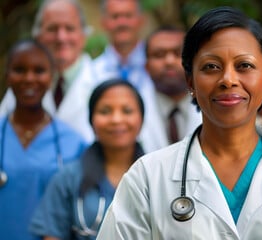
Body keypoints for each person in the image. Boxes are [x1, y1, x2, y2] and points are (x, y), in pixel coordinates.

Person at [96, 6, 262, 239]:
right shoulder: (147, 179)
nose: (228, 79)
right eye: (211, 67)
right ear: (190, 82)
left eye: (244, 65)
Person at [29, 79, 145, 239]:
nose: (116, 119)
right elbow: (52, 234)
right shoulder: (68, 178)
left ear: (141, 118)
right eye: (105, 111)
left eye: (127, 111)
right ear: (92, 120)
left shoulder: (158, 174)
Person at [0, 39, 87, 240]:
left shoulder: (73, 143)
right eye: (19, 70)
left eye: (39, 71)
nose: (29, 78)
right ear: (7, 77)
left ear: (52, 77)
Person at [0, 0, 97, 143]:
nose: (61, 37)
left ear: (84, 36)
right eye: (52, 29)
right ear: (38, 36)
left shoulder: (104, 80)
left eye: (69, 28)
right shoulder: (21, 86)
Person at [93, 0, 159, 153]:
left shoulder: (159, 68)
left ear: (141, 20)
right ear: (104, 23)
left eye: (128, 16)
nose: (122, 22)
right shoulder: (91, 72)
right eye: (115, 16)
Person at [143, 25, 202, 148]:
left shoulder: (215, 107)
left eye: (178, 53)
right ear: (146, 66)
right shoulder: (133, 109)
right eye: (159, 55)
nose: (169, 61)